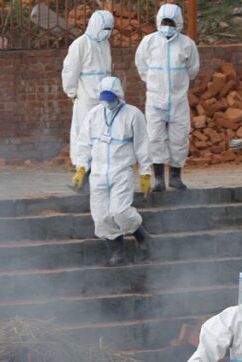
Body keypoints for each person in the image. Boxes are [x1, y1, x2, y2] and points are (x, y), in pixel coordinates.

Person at [72, 76, 153, 267]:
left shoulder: (133, 115)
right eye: (105, 99)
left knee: (120, 211)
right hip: (98, 173)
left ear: (119, 95)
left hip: (121, 171)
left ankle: (142, 237)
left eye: (111, 99)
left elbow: (142, 145)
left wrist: (145, 172)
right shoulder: (94, 114)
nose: (108, 103)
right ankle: (117, 253)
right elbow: (83, 143)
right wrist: (81, 168)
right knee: (101, 217)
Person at [134, 3, 200, 192]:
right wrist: (153, 82)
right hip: (155, 100)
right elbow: (141, 66)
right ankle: (159, 179)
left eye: (171, 23)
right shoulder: (149, 42)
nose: (168, 26)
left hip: (178, 100)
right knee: (155, 138)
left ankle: (175, 177)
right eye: (165, 22)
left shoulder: (187, 44)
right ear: (158, 22)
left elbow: (193, 69)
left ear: (178, 23)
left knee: (179, 138)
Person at [62, 10, 115, 173]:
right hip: (86, 98)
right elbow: (70, 70)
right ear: (95, 25)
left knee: (102, 133)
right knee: (83, 133)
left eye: (109, 29)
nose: (107, 32)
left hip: (104, 99)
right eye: (104, 28)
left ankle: (98, 167)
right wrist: (71, 92)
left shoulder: (104, 44)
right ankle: (82, 168)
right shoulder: (80, 44)